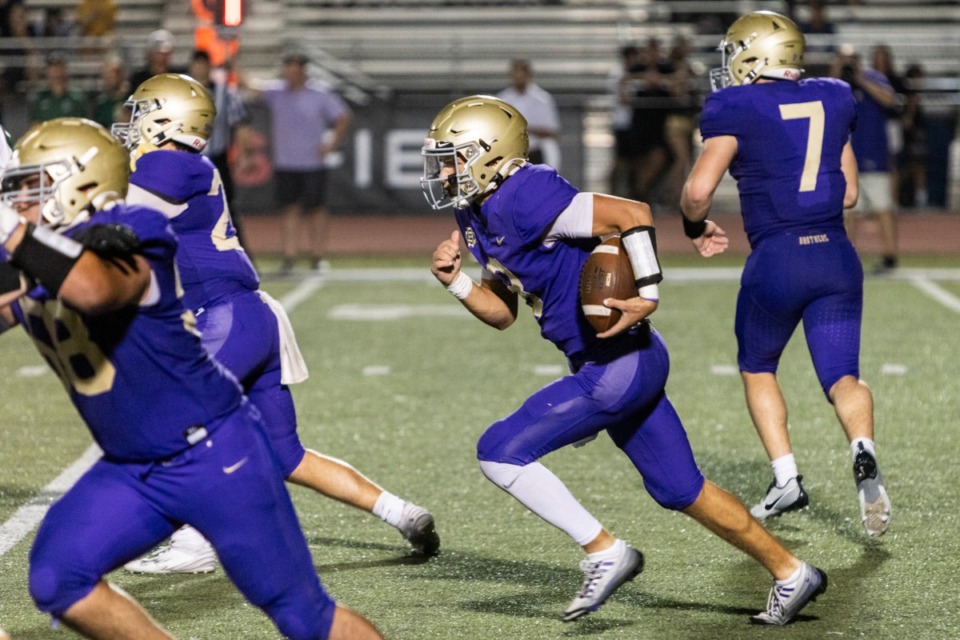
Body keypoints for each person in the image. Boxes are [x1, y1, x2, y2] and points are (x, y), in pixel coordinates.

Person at [424, 95, 827, 626]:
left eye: (453, 157)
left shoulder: (527, 192)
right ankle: (792, 572)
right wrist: (455, 282)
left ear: (491, 155)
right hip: (617, 361)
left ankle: (603, 551)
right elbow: (502, 313)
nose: (445, 171)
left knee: (498, 451)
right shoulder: (474, 211)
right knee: (683, 490)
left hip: (616, 363)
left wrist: (649, 289)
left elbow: (631, 214)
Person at [0, 117, 382, 639]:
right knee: (57, 577)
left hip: (215, 452)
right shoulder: (31, 252)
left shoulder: (133, 227)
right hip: (132, 467)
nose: (18, 198)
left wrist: (12, 231)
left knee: (302, 616)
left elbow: (93, 289)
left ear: (80, 182)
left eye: (31, 184)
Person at [112, 74, 438, 575]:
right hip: (252, 317)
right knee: (285, 455)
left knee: (169, 418)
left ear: (166, 119)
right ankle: (402, 512)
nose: (131, 124)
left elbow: (112, 220)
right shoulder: (186, 164)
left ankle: (197, 539)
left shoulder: (168, 163)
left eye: (140, 113)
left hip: (222, 314)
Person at [680, 11, 892, 537]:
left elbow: (697, 191)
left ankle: (786, 477)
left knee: (758, 365)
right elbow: (847, 193)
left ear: (753, 56)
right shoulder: (836, 95)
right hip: (837, 258)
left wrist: (694, 226)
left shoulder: (735, 104)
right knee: (844, 376)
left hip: (778, 258)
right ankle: (862, 450)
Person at [252, 51, 352, 273]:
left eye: (295, 69)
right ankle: (290, 256)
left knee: (316, 209)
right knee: (289, 209)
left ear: (304, 71)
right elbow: (251, 87)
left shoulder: (319, 93)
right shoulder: (277, 92)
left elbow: (343, 116)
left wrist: (331, 144)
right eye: (288, 69)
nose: (291, 74)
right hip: (285, 162)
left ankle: (318, 256)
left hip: (312, 162)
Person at [832, 44, 900, 273]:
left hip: (873, 153)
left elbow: (888, 100)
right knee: (849, 211)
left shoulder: (872, 77)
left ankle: (890, 258)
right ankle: (848, 259)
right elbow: (825, 95)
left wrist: (860, 77)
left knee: (882, 207)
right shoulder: (838, 84)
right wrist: (839, 68)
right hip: (848, 156)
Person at [187, 49, 251, 252]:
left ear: (209, 67)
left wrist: (243, 154)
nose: (199, 68)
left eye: (202, 64)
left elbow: (239, 124)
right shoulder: (183, 93)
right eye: (196, 64)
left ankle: (239, 255)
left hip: (217, 159)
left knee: (226, 209)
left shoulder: (225, 93)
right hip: (188, 160)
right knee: (187, 208)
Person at [496, 58, 560, 168]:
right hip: (511, 155)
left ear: (529, 75)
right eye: (516, 74)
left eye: (522, 74)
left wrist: (525, 129)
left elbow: (552, 131)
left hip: (535, 153)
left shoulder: (542, 99)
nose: (519, 77)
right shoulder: (503, 99)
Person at [607, 44, 641, 198]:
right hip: (622, 121)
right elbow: (623, 98)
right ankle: (612, 189)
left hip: (633, 122)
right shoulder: (618, 73)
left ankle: (628, 191)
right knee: (621, 159)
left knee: (632, 160)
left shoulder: (634, 73)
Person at [28, 53, 89, 126]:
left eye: (60, 68)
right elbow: (34, 128)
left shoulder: (78, 98)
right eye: (53, 68)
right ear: (47, 71)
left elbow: (85, 126)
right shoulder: (38, 99)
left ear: (66, 70)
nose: (57, 72)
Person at [89, 54, 128, 129]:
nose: (112, 77)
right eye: (107, 74)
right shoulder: (99, 104)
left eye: (116, 72)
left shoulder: (133, 99)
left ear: (123, 75)